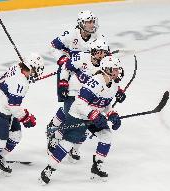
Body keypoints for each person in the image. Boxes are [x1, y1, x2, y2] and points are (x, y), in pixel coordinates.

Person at [39, 55, 124, 185]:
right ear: (107, 69)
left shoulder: (113, 85)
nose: (118, 71)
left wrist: (112, 114)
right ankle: (49, 169)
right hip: (78, 114)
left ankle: (97, 166)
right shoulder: (95, 82)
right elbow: (79, 103)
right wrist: (93, 114)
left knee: (106, 135)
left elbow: (105, 103)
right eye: (115, 69)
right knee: (68, 143)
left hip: (93, 115)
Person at [47, 10, 111, 161]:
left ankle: (73, 146)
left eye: (92, 21)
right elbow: (53, 46)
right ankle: (54, 129)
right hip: (69, 73)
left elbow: (107, 57)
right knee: (71, 109)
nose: (91, 24)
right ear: (81, 24)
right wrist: (63, 59)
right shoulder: (71, 35)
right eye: (88, 22)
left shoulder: (99, 37)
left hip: (90, 75)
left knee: (85, 109)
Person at [0, 53, 45, 185]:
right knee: (0, 142)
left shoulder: (17, 67)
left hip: (4, 104)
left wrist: (28, 78)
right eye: (36, 70)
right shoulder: (21, 83)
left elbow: (15, 85)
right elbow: (14, 106)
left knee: (16, 135)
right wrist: (26, 118)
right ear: (30, 67)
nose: (38, 73)